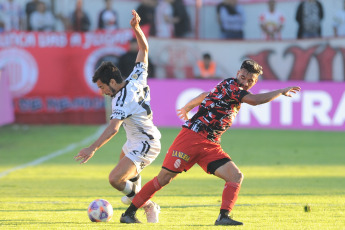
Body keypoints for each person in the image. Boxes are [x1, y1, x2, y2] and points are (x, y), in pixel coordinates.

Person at [120, 59, 301, 225]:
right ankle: (129, 214)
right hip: (191, 138)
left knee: (235, 176)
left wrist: (189, 105)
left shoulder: (229, 87)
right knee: (164, 179)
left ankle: (223, 217)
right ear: (238, 73)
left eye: (250, 81)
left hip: (210, 144)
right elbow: (254, 101)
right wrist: (280, 91)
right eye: (243, 77)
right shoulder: (232, 85)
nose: (245, 82)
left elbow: (206, 94)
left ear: (255, 81)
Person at [74, 10, 161, 223]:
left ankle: (148, 205)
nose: (102, 91)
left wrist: (91, 148)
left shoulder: (122, 100)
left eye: (102, 86)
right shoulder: (136, 77)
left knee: (115, 179)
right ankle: (140, 200)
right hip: (135, 139)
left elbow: (113, 128)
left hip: (146, 143)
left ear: (112, 82)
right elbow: (144, 48)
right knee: (128, 177)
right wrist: (136, 29)